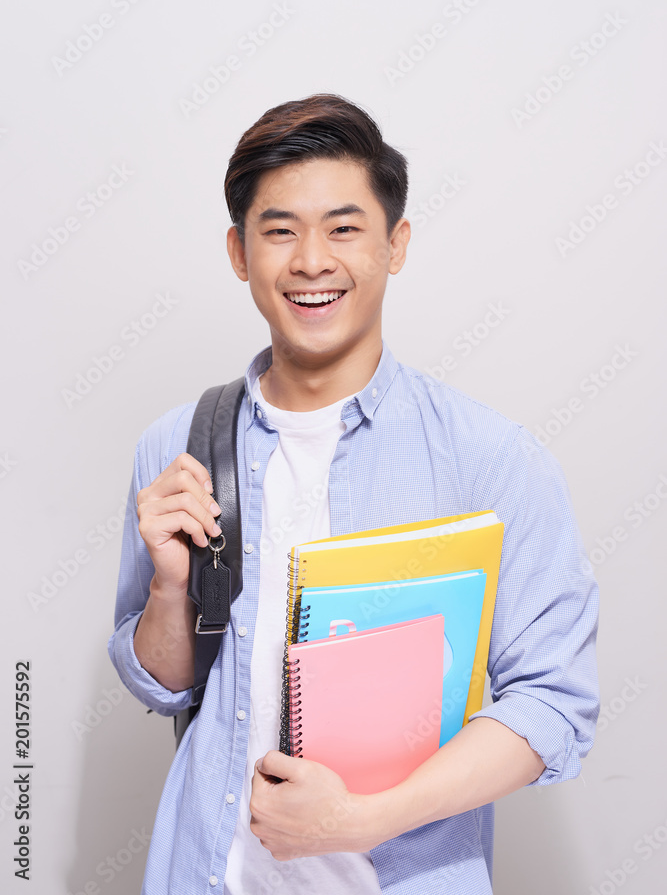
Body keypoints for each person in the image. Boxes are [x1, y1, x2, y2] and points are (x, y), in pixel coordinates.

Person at [108, 92, 599, 895]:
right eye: (279, 231)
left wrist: (367, 817)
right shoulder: (177, 444)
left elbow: (551, 702)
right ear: (238, 251)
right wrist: (169, 588)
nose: (310, 261)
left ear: (394, 244)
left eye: (343, 228)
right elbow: (160, 681)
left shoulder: (491, 459)